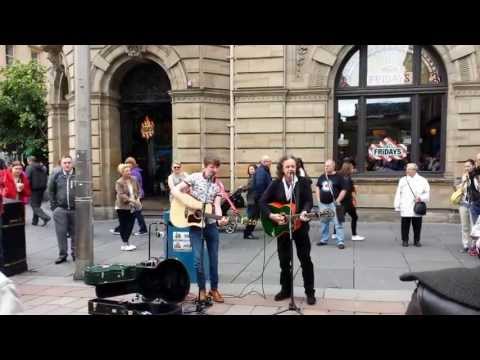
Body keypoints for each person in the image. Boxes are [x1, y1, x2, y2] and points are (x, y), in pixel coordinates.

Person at [259, 155, 316, 305]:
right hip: (282, 229)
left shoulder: (303, 182)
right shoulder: (275, 184)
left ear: (296, 168)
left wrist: (304, 211)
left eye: (293, 166)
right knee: (284, 261)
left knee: (305, 260)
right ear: (282, 169)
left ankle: (310, 292)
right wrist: (271, 215)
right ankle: (285, 290)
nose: (291, 169)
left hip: (300, 227)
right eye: (287, 167)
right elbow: (262, 202)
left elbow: (309, 201)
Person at [172, 156, 229, 304]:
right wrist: (191, 204)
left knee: (214, 259)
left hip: (210, 225)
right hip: (195, 225)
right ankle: (202, 290)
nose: (214, 170)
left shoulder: (218, 185)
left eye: (216, 168)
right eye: (212, 167)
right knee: (198, 260)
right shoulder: (194, 178)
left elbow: (216, 205)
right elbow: (176, 191)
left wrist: (220, 218)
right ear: (204, 166)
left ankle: (214, 289)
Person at [394, 163, 430, 247]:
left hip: (417, 205)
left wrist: (421, 198)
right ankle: (405, 240)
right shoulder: (403, 180)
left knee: (417, 225)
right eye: (407, 169)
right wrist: (397, 204)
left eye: (409, 169)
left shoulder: (422, 180)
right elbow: (398, 193)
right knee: (405, 224)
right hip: (405, 204)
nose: (407, 170)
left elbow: (427, 193)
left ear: (414, 170)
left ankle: (417, 240)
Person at [48, 155, 76, 264]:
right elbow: (51, 191)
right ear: (61, 164)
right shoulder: (56, 176)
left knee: (76, 233)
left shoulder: (78, 175)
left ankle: (75, 253)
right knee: (61, 233)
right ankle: (62, 254)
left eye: (69, 162)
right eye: (65, 163)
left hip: (75, 210)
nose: (67, 165)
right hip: (61, 209)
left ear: (72, 163)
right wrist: (54, 207)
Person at [110, 157, 147, 236]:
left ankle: (142, 229)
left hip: (134, 198)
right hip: (132, 199)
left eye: (129, 165)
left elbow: (138, 186)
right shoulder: (122, 180)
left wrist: (137, 198)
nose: (128, 169)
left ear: (132, 165)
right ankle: (120, 229)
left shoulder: (134, 175)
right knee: (132, 214)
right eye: (126, 165)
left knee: (136, 214)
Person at [316, 159, 347, 249]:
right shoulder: (322, 176)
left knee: (338, 223)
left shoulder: (339, 177)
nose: (326, 167)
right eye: (325, 165)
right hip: (323, 204)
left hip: (334, 204)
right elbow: (318, 187)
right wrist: (318, 200)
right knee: (324, 222)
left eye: (328, 166)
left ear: (333, 166)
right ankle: (324, 240)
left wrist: (338, 200)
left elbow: (344, 189)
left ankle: (340, 241)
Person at [115, 163, 142, 251]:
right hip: (122, 207)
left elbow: (138, 190)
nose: (129, 172)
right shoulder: (119, 182)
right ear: (122, 172)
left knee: (130, 224)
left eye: (129, 170)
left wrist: (137, 198)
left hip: (133, 206)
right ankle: (125, 243)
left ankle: (126, 241)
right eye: (126, 171)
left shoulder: (134, 179)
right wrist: (131, 200)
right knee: (124, 225)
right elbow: (121, 194)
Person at [337, 161, 365, 241]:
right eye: (352, 168)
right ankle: (354, 235)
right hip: (347, 201)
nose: (353, 169)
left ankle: (335, 234)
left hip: (340, 201)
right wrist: (353, 191)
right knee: (354, 217)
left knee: (339, 219)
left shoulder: (340, 176)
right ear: (348, 168)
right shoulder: (347, 178)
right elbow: (348, 189)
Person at [454, 159, 475, 252]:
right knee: (465, 226)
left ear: (473, 166)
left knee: (474, 226)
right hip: (464, 203)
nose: (466, 168)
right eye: (465, 166)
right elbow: (460, 188)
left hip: (474, 204)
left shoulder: (477, 176)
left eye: (468, 166)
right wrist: (461, 185)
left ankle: (474, 246)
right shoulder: (464, 176)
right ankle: (465, 245)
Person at [26, 156, 51, 226]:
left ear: (29, 160)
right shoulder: (42, 167)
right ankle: (34, 221)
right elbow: (46, 176)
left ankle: (45, 217)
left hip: (34, 189)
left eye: (28, 161)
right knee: (37, 205)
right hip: (42, 188)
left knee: (34, 205)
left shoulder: (29, 167)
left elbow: (27, 178)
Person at [242, 164, 258, 239]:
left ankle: (248, 232)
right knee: (251, 217)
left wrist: (243, 188)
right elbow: (250, 186)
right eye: (250, 169)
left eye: (252, 169)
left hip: (253, 200)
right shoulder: (252, 178)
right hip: (252, 200)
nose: (251, 170)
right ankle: (247, 232)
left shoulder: (254, 178)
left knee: (253, 217)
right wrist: (243, 188)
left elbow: (250, 186)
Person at [467, 152, 480, 225]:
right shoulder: (474, 172)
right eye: (477, 160)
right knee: (476, 228)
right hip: (476, 203)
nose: (478, 161)